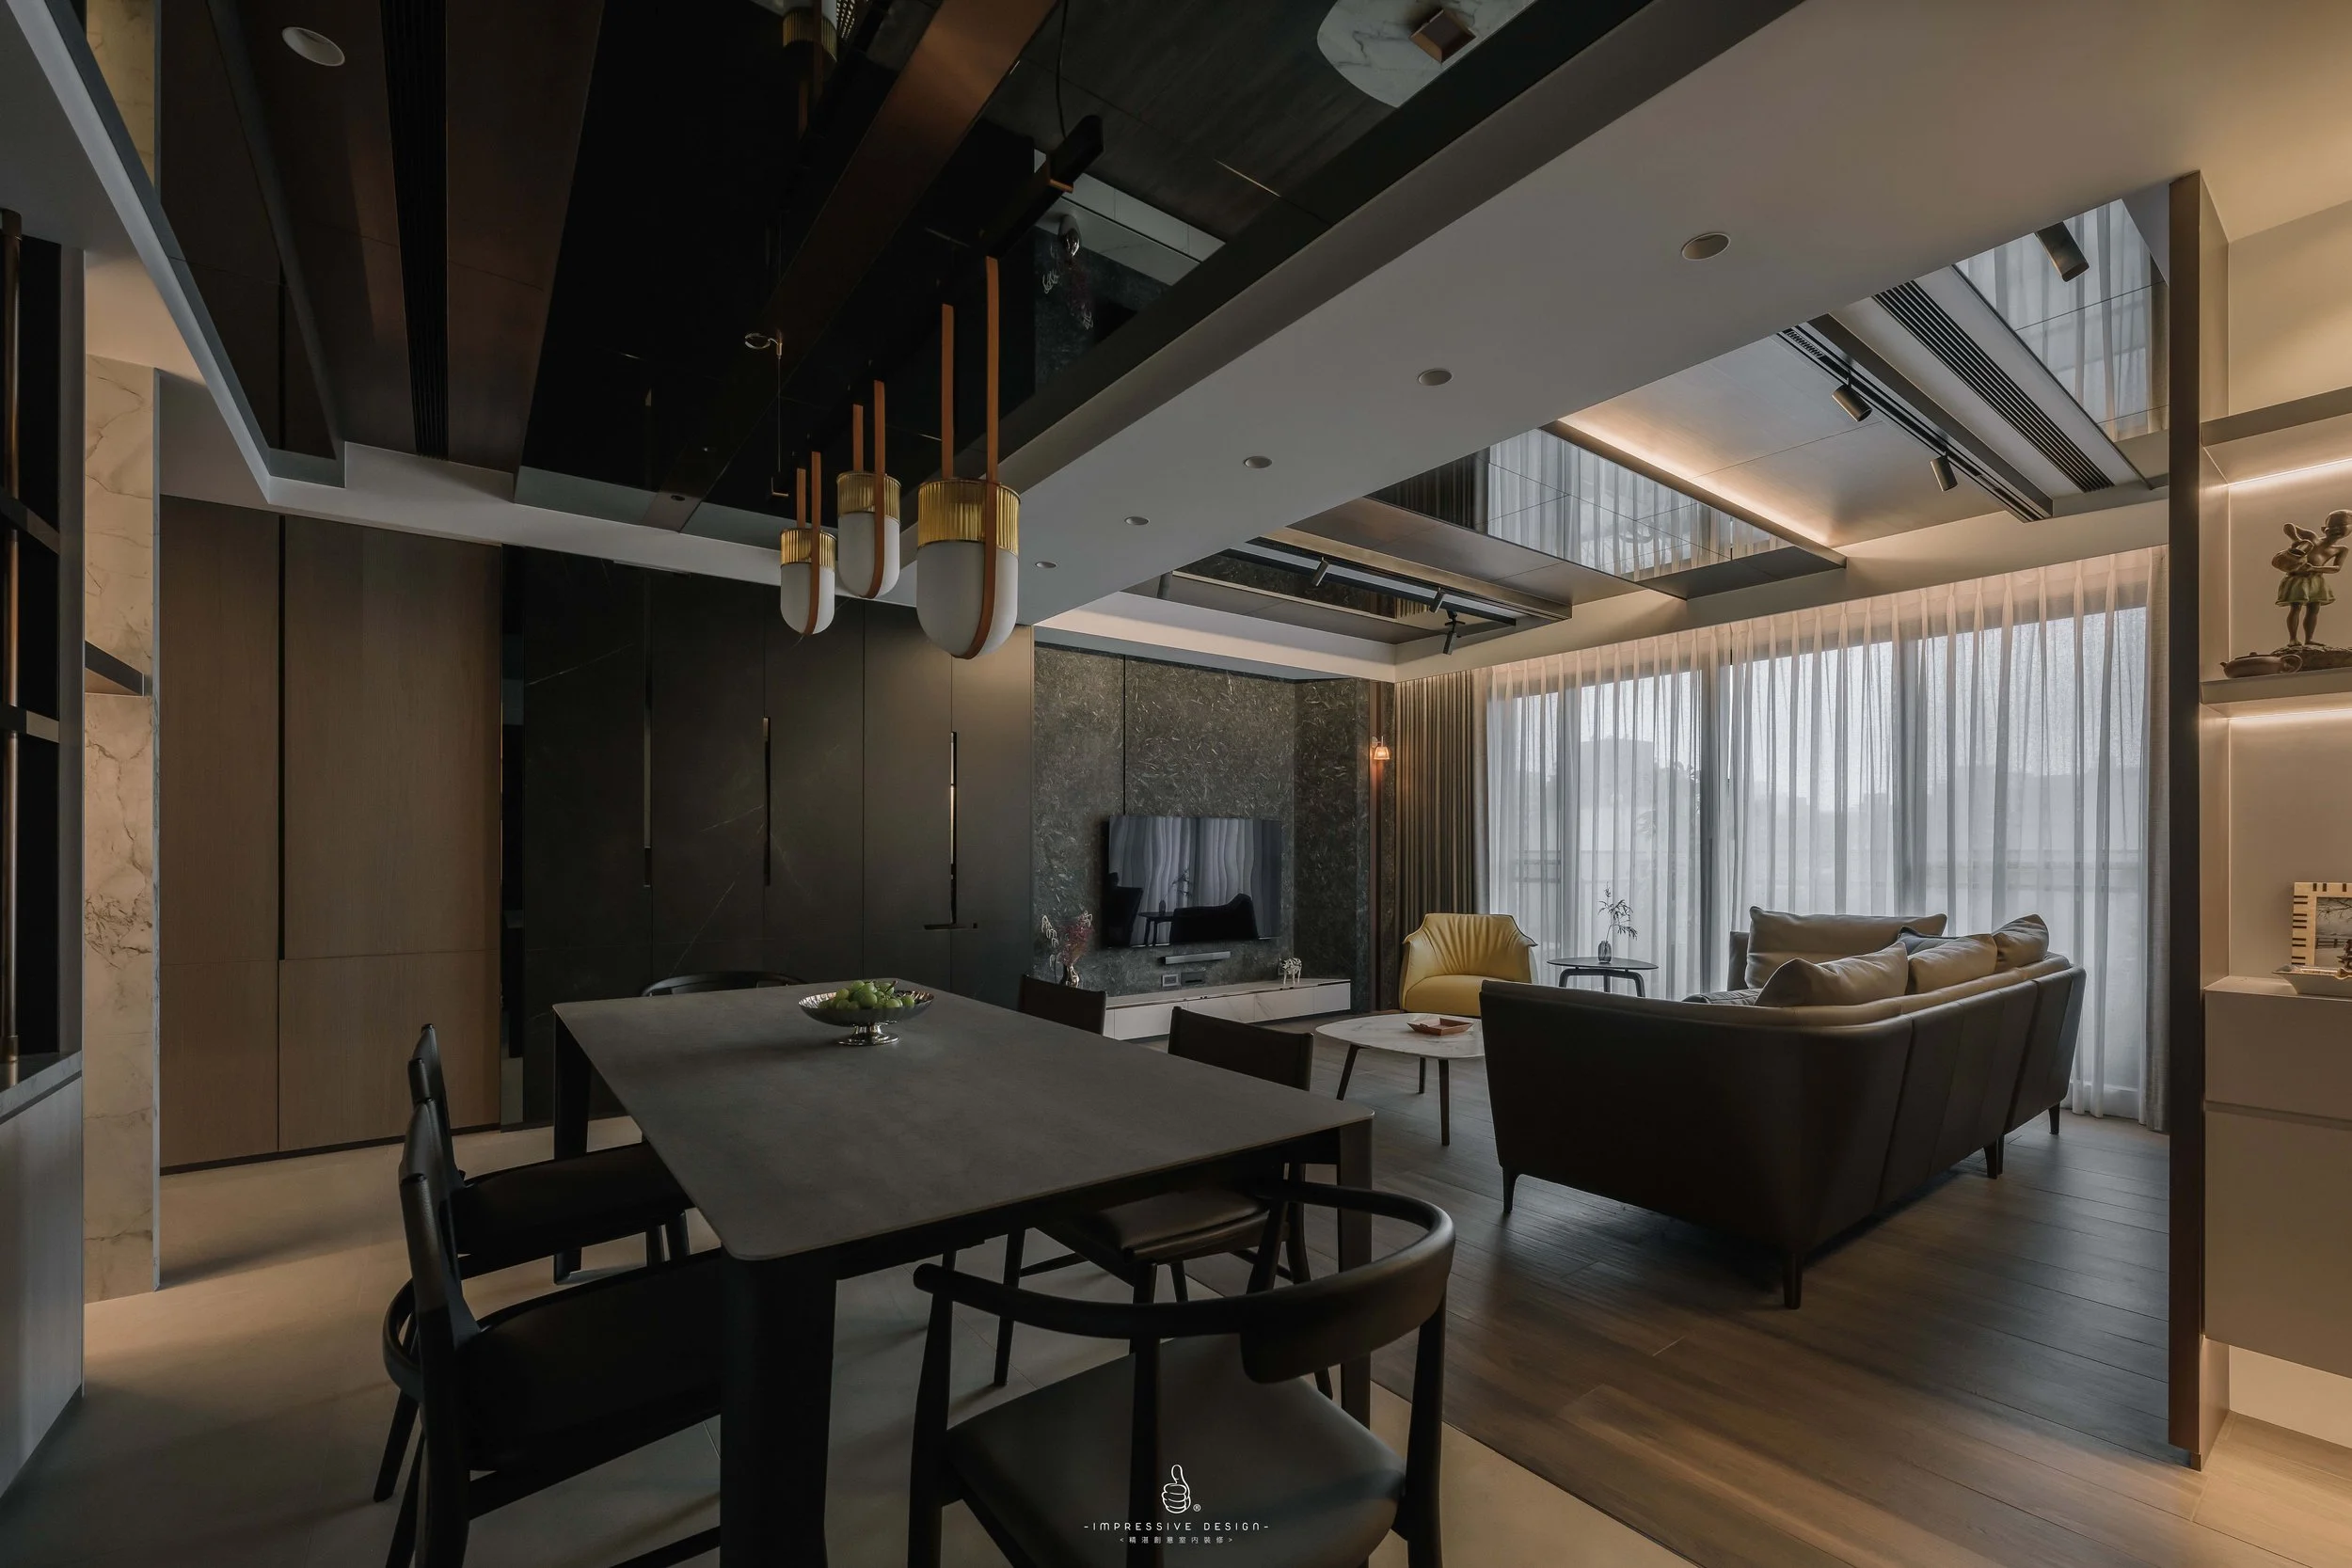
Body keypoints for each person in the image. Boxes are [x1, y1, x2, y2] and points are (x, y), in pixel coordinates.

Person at [2273, 511, 2352, 647]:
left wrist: (2315, 569)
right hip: (2297, 578)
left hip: (2316, 580)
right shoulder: (2312, 538)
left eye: (2342, 526)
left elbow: (2337, 568)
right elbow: (2288, 526)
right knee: (2296, 606)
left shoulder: (2340, 549)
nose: (2336, 529)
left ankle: (2309, 639)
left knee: (2314, 608)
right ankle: (2293, 639)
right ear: (2323, 529)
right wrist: (2296, 540)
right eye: (2333, 526)